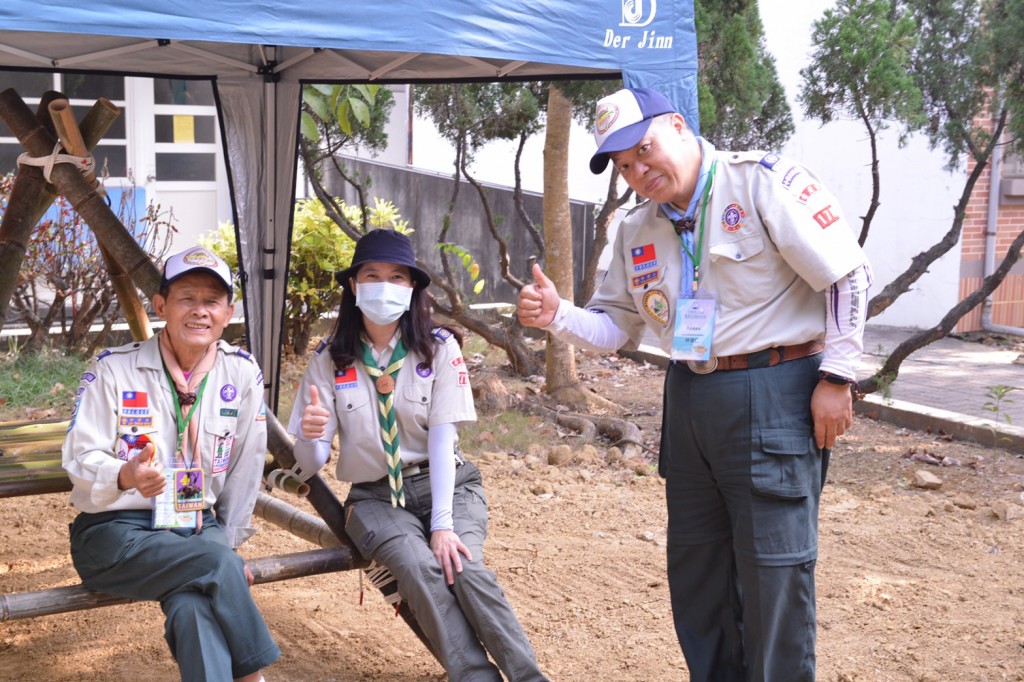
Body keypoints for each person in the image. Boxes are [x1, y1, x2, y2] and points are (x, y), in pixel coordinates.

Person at [516, 87, 872, 681]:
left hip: (775, 388)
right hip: (689, 398)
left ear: (677, 126)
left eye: (643, 150)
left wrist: (838, 376)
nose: (638, 171)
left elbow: (848, 274)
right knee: (698, 575)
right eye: (623, 165)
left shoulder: (760, 182)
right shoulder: (637, 229)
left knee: (772, 575)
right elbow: (615, 329)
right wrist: (556, 315)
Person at [288, 229, 547, 682]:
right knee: (419, 568)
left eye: (397, 276)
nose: (384, 284)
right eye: (372, 274)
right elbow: (309, 465)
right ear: (353, 286)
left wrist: (443, 525)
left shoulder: (440, 349)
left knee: (461, 566)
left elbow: (443, 443)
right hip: (374, 498)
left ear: (412, 288)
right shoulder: (330, 360)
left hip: (449, 483)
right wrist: (311, 436)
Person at [62, 246, 280, 682]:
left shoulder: (241, 373)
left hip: (197, 524)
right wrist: (124, 474)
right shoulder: (113, 370)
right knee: (220, 569)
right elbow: (78, 456)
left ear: (228, 312)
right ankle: (255, 676)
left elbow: (246, 466)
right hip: (116, 535)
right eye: (187, 298)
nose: (200, 311)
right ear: (161, 305)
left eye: (212, 301)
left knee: (194, 606)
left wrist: (228, 540)